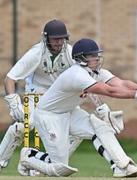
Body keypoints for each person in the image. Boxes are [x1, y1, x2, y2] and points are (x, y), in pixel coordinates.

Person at [18, 38, 137, 177]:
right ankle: (29, 156)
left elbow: (120, 84)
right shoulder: (76, 74)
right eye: (92, 55)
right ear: (81, 58)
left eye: (97, 54)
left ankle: (122, 167)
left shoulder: (97, 72)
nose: (97, 58)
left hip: (70, 112)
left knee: (101, 128)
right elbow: (109, 91)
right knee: (60, 168)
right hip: (49, 115)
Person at [0, 19, 82, 173]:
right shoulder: (36, 53)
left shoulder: (71, 53)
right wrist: (13, 103)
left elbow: (86, 78)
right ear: (46, 38)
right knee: (27, 125)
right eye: (55, 39)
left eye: (62, 38)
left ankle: (37, 165)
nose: (59, 42)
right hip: (36, 95)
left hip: (59, 97)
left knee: (78, 130)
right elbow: (9, 79)